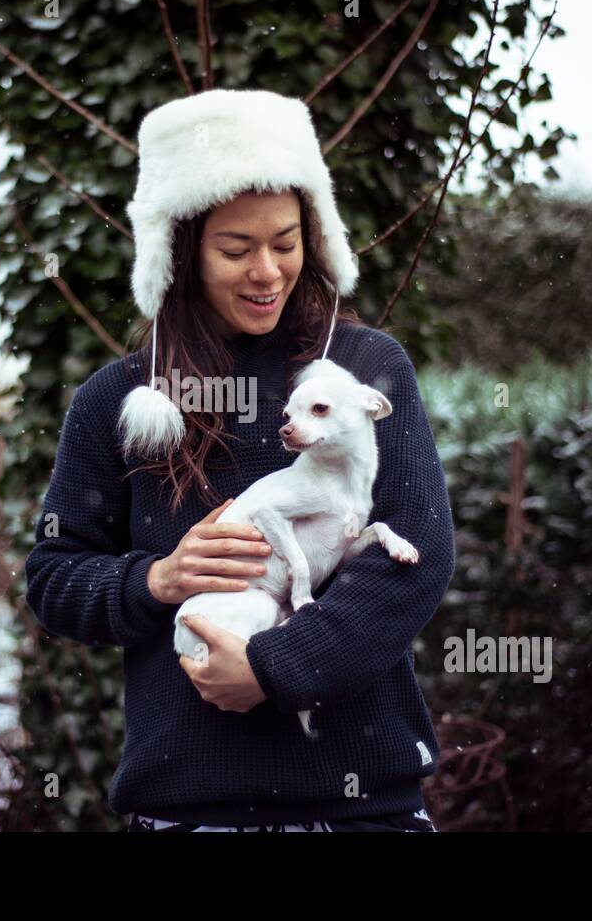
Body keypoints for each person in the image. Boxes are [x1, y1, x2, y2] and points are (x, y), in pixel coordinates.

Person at [24, 89, 455, 832]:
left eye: (286, 242)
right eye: (235, 249)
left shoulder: (360, 370)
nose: (267, 271)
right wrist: (154, 579)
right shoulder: (119, 398)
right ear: (183, 250)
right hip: (191, 808)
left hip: (362, 809)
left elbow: (417, 551)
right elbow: (54, 575)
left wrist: (276, 666)